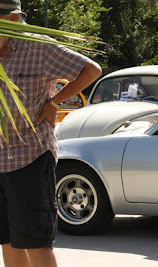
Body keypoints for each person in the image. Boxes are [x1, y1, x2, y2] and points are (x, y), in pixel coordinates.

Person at [0, 1, 102, 266]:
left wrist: (54, 102)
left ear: (10, 18)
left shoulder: (39, 47)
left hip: (30, 157)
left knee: (35, 241)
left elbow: (91, 70)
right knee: (7, 239)